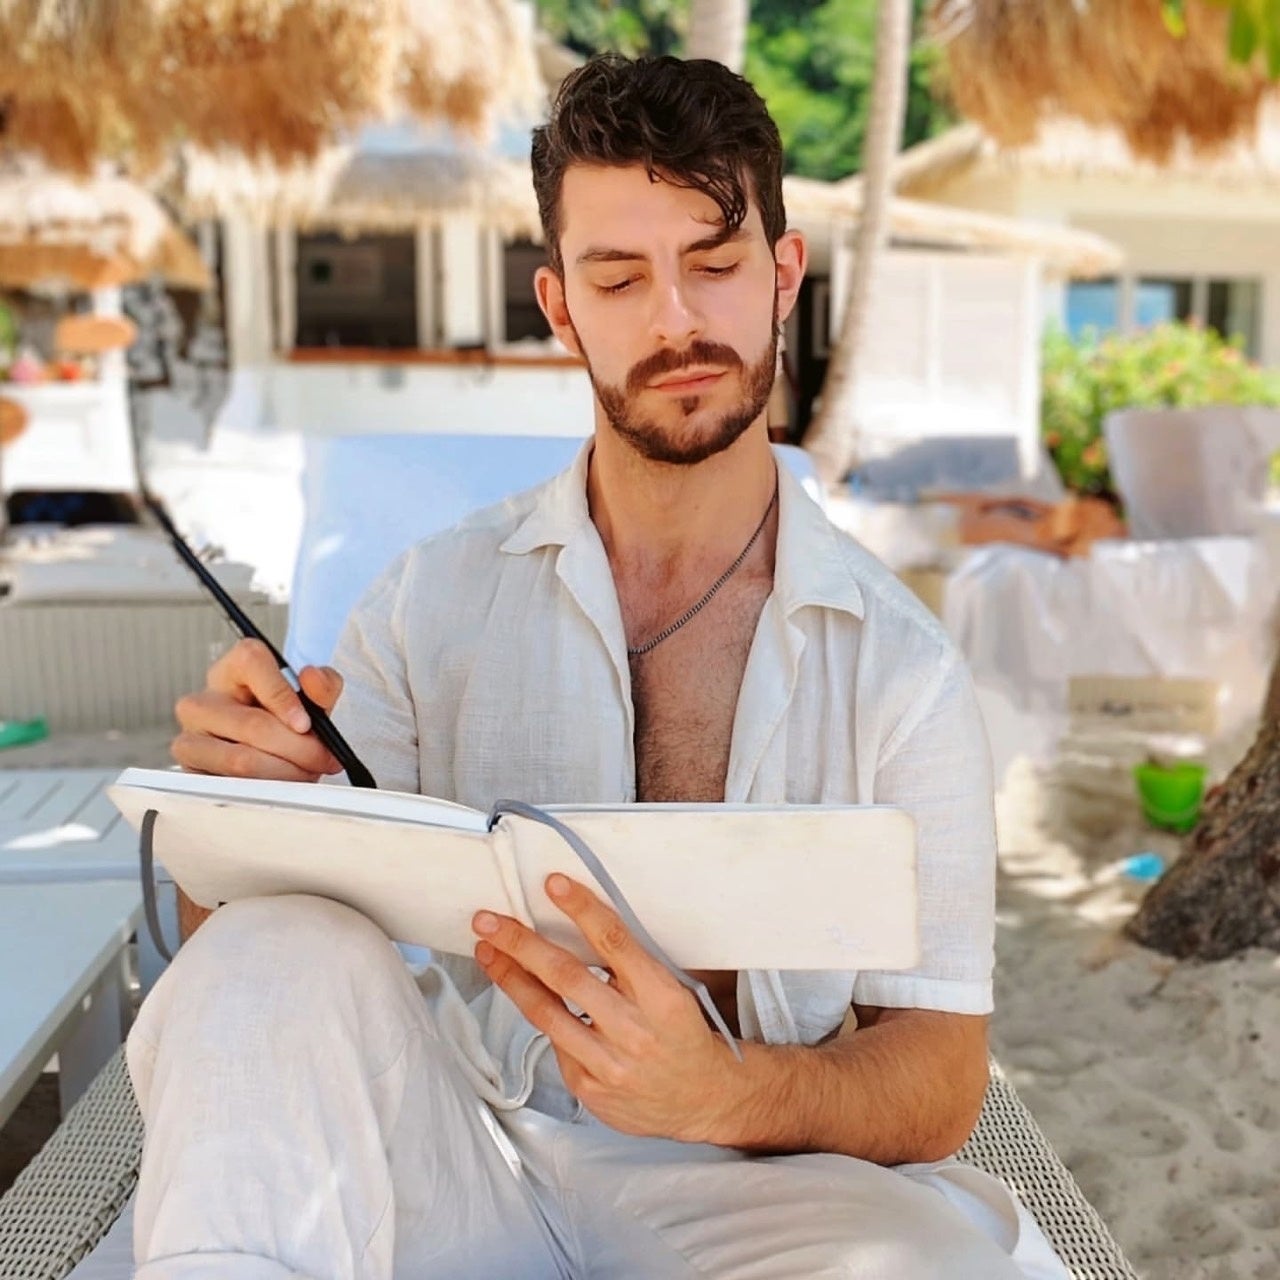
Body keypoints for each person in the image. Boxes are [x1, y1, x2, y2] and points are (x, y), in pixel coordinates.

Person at [133, 55, 1068, 1280]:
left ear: (783, 275)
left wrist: (722, 1088)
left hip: (769, 1193)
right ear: (561, 307)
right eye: (619, 279)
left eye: (713, 264)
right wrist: (243, 810)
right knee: (267, 946)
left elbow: (937, 1078)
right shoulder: (430, 602)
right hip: (471, 1151)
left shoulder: (901, 670)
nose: (673, 320)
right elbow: (252, 966)